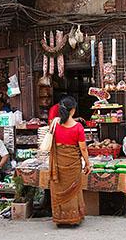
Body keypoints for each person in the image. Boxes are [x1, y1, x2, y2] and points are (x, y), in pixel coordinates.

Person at [50, 96, 91, 227]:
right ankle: (73, 218)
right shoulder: (78, 127)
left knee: (59, 188)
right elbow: (83, 148)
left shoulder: (55, 124)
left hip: (58, 164)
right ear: (73, 110)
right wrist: (87, 163)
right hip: (73, 165)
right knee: (74, 191)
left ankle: (60, 219)